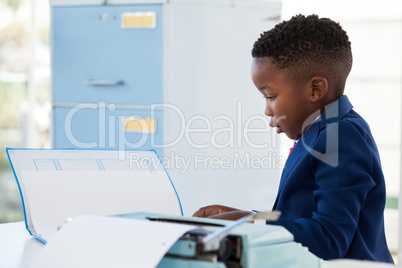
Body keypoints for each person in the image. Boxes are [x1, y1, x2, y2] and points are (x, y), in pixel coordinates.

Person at [192, 14, 394, 263]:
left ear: (315, 89)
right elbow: (299, 217)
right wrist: (249, 216)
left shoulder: (342, 137)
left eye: (271, 97)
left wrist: (249, 224)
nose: (267, 109)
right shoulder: (320, 133)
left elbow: (329, 238)